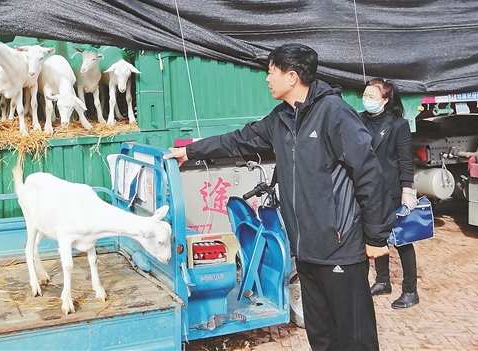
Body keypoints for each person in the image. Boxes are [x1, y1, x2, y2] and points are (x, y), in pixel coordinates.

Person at [165, 43, 394, 351]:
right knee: (321, 334)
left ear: (292, 76)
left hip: (340, 246)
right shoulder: (281, 118)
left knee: (353, 336)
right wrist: (190, 152)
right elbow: (238, 140)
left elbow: (369, 174)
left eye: (271, 71)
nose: (267, 78)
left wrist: (377, 236)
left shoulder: (334, 113)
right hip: (306, 247)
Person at [361, 77, 420, 310]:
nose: (367, 100)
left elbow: (406, 161)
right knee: (376, 237)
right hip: (367, 190)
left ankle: (410, 291)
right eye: (365, 96)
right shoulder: (359, 119)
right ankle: (382, 281)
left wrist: (407, 191)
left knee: (402, 241)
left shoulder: (398, 125)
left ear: (385, 100)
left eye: (372, 97)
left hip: (391, 192)